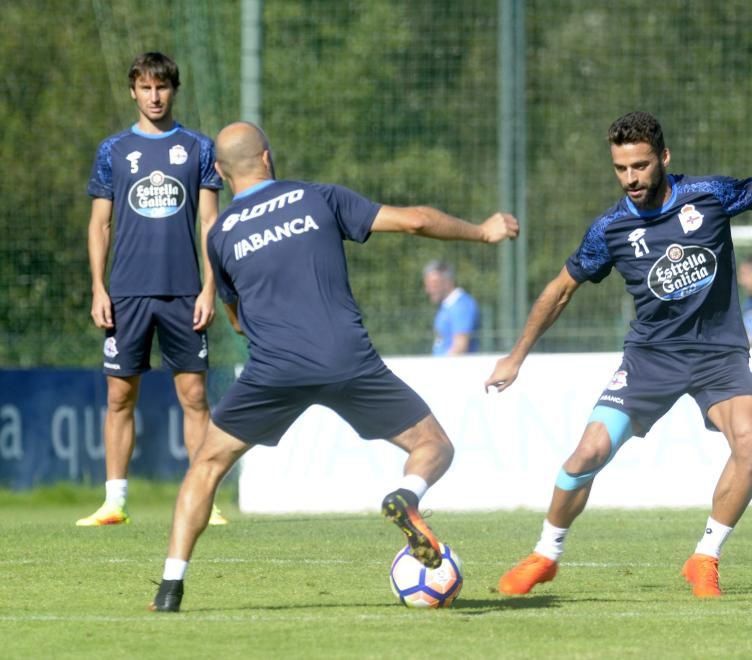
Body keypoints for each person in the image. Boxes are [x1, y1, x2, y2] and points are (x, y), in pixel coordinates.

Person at [485, 110, 752, 599]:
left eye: (639, 166)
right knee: (587, 454)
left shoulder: (709, 196)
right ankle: (545, 554)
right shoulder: (611, 229)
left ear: (663, 158)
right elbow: (559, 291)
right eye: (621, 169)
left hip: (719, 357)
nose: (631, 179)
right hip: (650, 360)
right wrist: (517, 355)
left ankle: (705, 557)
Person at [148, 121, 519, 612]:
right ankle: (408, 496)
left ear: (219, 170)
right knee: (434, 446)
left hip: (274, 369)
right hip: (346, 358)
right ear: (268, 157)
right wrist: (482, 231)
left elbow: (235, 319)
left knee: (207, 465)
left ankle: (170, 589)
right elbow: (415, 221)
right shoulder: (317, 197)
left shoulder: (220, 237)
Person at [81, 52, 228, 527]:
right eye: (145, 88)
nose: (154, 96)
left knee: (194, 397)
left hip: (185, 292)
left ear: (173, 90)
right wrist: (98, 289)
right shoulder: (113, 150)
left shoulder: (198, 147)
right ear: (133, 92)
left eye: (161, 88)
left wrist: (209, 288)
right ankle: (114, 502)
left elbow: (210, 223)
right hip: (126, 294)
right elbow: (100, 225)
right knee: (120, 397)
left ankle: (207, 498)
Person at [423, 260, 480, 355]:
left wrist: (443, 368)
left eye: (433, 285)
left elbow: (460, 346)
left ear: (447, 282)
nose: (428, 290)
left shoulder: (461, 306)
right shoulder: (447, 306)